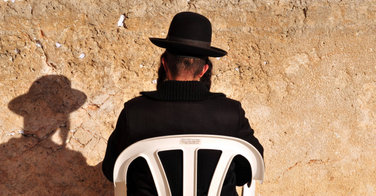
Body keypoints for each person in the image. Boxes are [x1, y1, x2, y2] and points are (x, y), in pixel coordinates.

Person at [102, 12, 263, 195]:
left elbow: (112, 171)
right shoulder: (231, 113)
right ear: (203, 70)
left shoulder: (134, 112)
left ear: (164, 63)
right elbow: (248, 172)